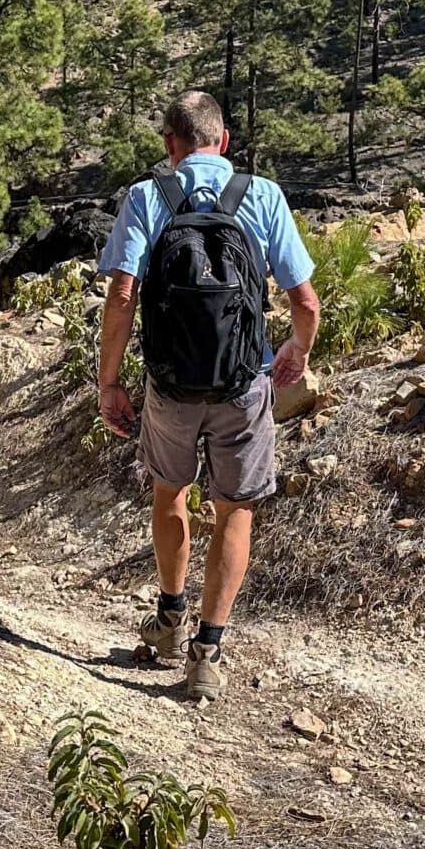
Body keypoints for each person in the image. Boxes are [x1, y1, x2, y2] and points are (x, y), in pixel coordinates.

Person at [95, 91, 320, 705]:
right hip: (244, 382)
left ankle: (168, 620)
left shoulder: (148, 196)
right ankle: (206, 655)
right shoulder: (263, 195)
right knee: (235, 510)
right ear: (224, 142)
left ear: (171, 146)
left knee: (171, 492)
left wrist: (109, 381)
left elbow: (121, 296)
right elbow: (305, 302)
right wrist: (294, 355)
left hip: (169, 384)